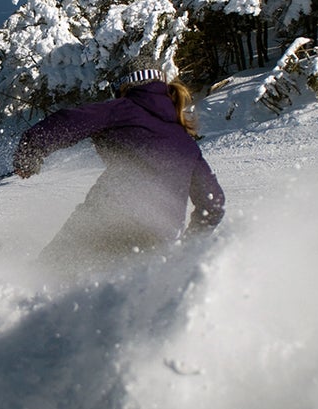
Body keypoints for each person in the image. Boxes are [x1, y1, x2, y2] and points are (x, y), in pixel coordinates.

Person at [12, 63, 225, 271]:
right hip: (159, 238)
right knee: (115, 297)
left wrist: (31, 150)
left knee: (49, 273)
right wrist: (188, 247)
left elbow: (70, 120)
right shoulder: (186, 141)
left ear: (125, 86)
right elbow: (213, 203)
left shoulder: (123, 108)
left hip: (111, 218)